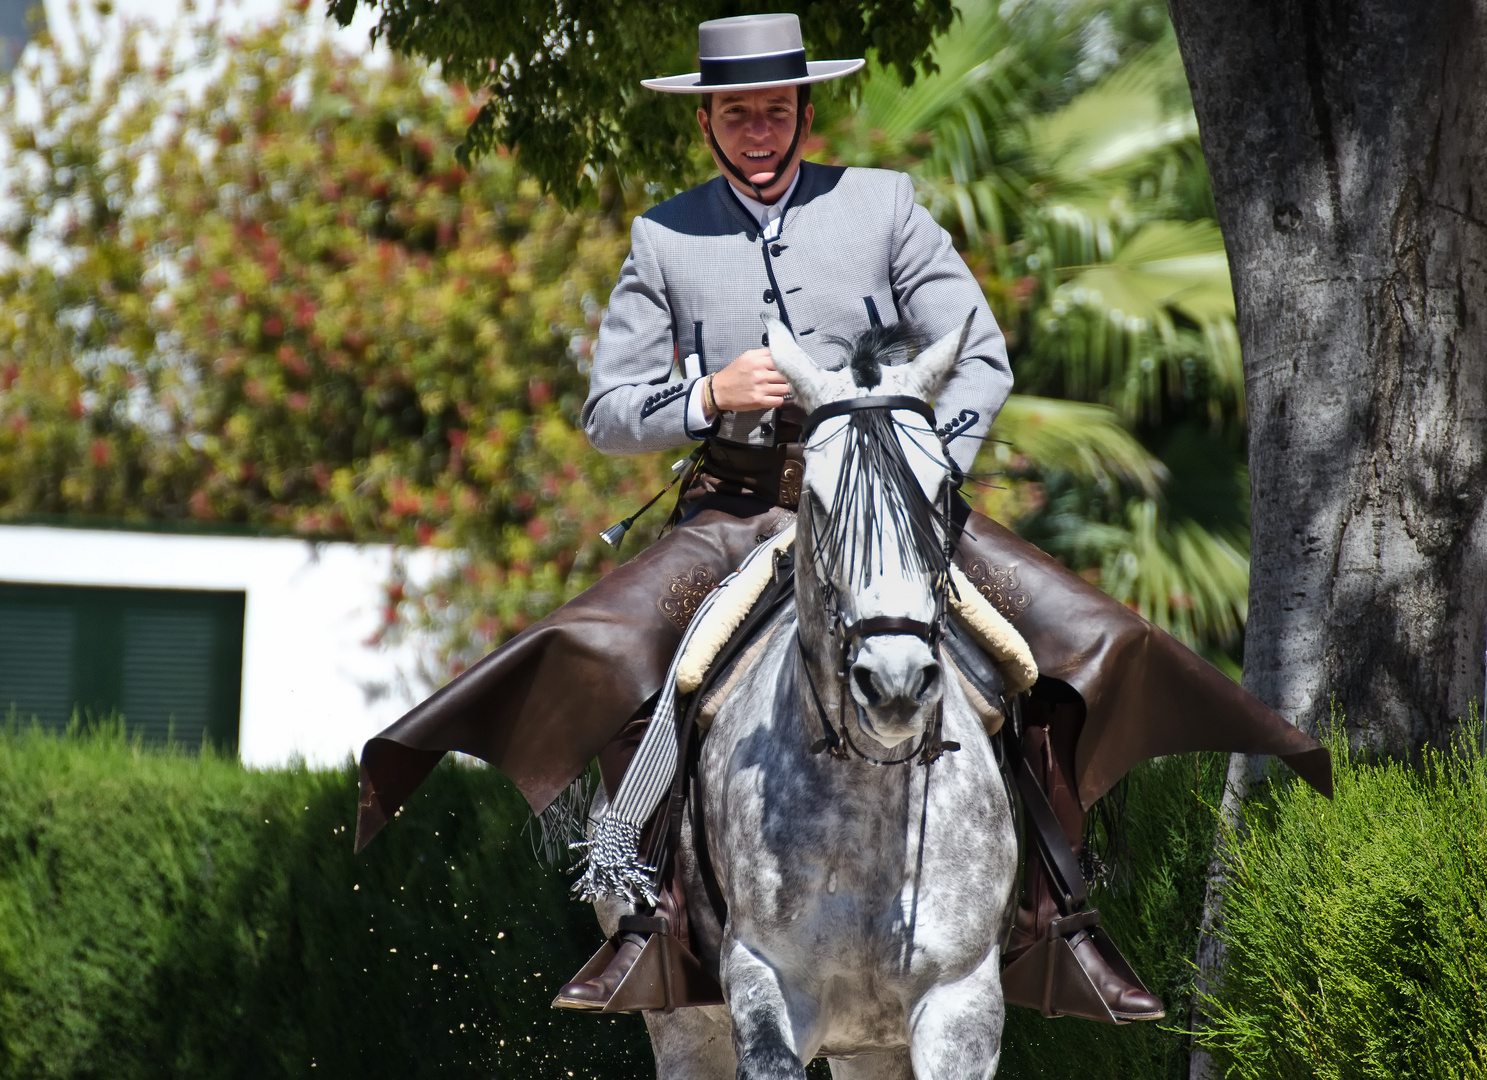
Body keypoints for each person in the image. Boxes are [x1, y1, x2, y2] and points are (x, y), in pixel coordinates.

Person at [352, 13, 1331, 1024]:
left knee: (1085, 638)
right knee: (607, 651)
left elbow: (979, 355)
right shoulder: (664, 237)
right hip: (734, 510)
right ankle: (645, 912)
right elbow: (606, 412)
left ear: (805, 112)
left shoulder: (883, 206)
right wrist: (703, 393)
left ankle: (1058, 909)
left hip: (890, 507)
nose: (757, 133)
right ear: (707, 125)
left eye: (774, 112)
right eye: (736, 115)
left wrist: (916, 472)